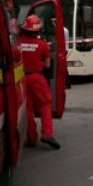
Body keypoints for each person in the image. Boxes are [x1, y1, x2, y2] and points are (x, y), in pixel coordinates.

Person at [20, 15, 61, 150]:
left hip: (21, 79)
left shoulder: (18, 43)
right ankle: (47, 134)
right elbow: (48, 65)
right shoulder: (43, 45)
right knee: (45, 105)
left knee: (28, 109)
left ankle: (31, 138)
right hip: (37, 78)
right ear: (38, 30)